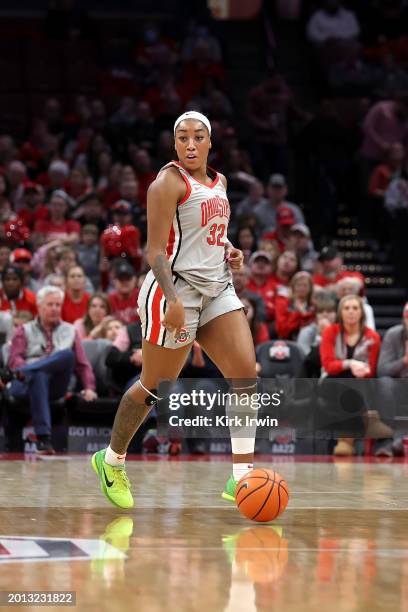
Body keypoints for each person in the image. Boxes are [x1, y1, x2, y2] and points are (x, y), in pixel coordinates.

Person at [91, 111, 256, 509]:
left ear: (210, 142)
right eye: (183, 138)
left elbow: (208, 232)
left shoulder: (221, 183)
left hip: (216, 287)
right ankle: (111, 460)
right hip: (174, 290)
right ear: (175, 143)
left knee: (246, 375)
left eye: (199, 137)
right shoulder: (166, 183)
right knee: (153, 386)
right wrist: (174, 301)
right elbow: (154, 251)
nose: (191, 144)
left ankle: (242, 478)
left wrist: (229, 249)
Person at [8, 286, 97, 454]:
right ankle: (43, 439)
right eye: (50, 304)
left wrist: (90, 388)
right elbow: (14, 360)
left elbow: (82, 364)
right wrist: (32, 369)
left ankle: (30, 370)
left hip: (56, 384)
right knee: (39, 375)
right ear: (40, 307)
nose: (55, 308)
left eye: (58, 304)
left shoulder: (70, 330)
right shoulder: (24, 330)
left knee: (67, 355)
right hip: (24, 384)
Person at [319, 295, 389, 456]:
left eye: (355, 308)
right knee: (345, 386)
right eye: (347, 308)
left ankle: (346, 441)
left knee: (354, 387)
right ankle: (368, 419)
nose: (351, 312)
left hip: (359, 381)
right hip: (331, 380)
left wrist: (362, 370)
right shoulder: (330, 332)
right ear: (340, 312)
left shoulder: (373, 337)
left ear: (362, 313)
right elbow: (328, 365)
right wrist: (350, 363)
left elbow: (371, 369)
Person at [297, 297, 337, 377]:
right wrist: (321, 336)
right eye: (321, 312)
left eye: (329, 311)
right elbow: (306, 358)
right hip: (314, 371)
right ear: (316, 315)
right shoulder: (306, 332)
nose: (325, 314)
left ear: (336, 314)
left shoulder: (342, 331)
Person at [275, 271, 315, 339]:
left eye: (305, 285)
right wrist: (298, 313)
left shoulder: (313, 305)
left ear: (310, 288)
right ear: (293, 287)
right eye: (299, 285)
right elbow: (282, 331)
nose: (302, 288)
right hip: (288, 340)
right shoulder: (284, 303)